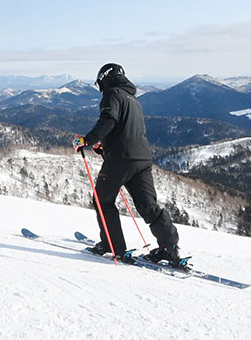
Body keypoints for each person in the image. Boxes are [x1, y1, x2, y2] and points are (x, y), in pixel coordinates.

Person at [74, 63, 183, 266]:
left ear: (104, 79)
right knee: (148, 206)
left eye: (99, 84)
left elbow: (109, 121)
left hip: (121, 159)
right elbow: (125, 131)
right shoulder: (134, 100)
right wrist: (104, 148)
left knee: (102, 200)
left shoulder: (112, 93)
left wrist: (86, 140)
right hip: (142, 159)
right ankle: (170, 248)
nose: (100, 88)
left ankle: (112, 245)